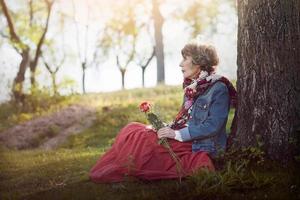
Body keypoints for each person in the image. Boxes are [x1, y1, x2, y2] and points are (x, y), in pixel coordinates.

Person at [90, 43, 237, 183]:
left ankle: (129, 167)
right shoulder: (193, 86)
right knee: (132, 128)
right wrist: (166, 127)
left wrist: (176, 134)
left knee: (143, 137)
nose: (180, 64)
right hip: (185, 137)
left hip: (199, 144)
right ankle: (128, 165)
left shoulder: (218, 88)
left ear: (198, 62)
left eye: (185, 58)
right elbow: (186, 119)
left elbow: (213, 126)